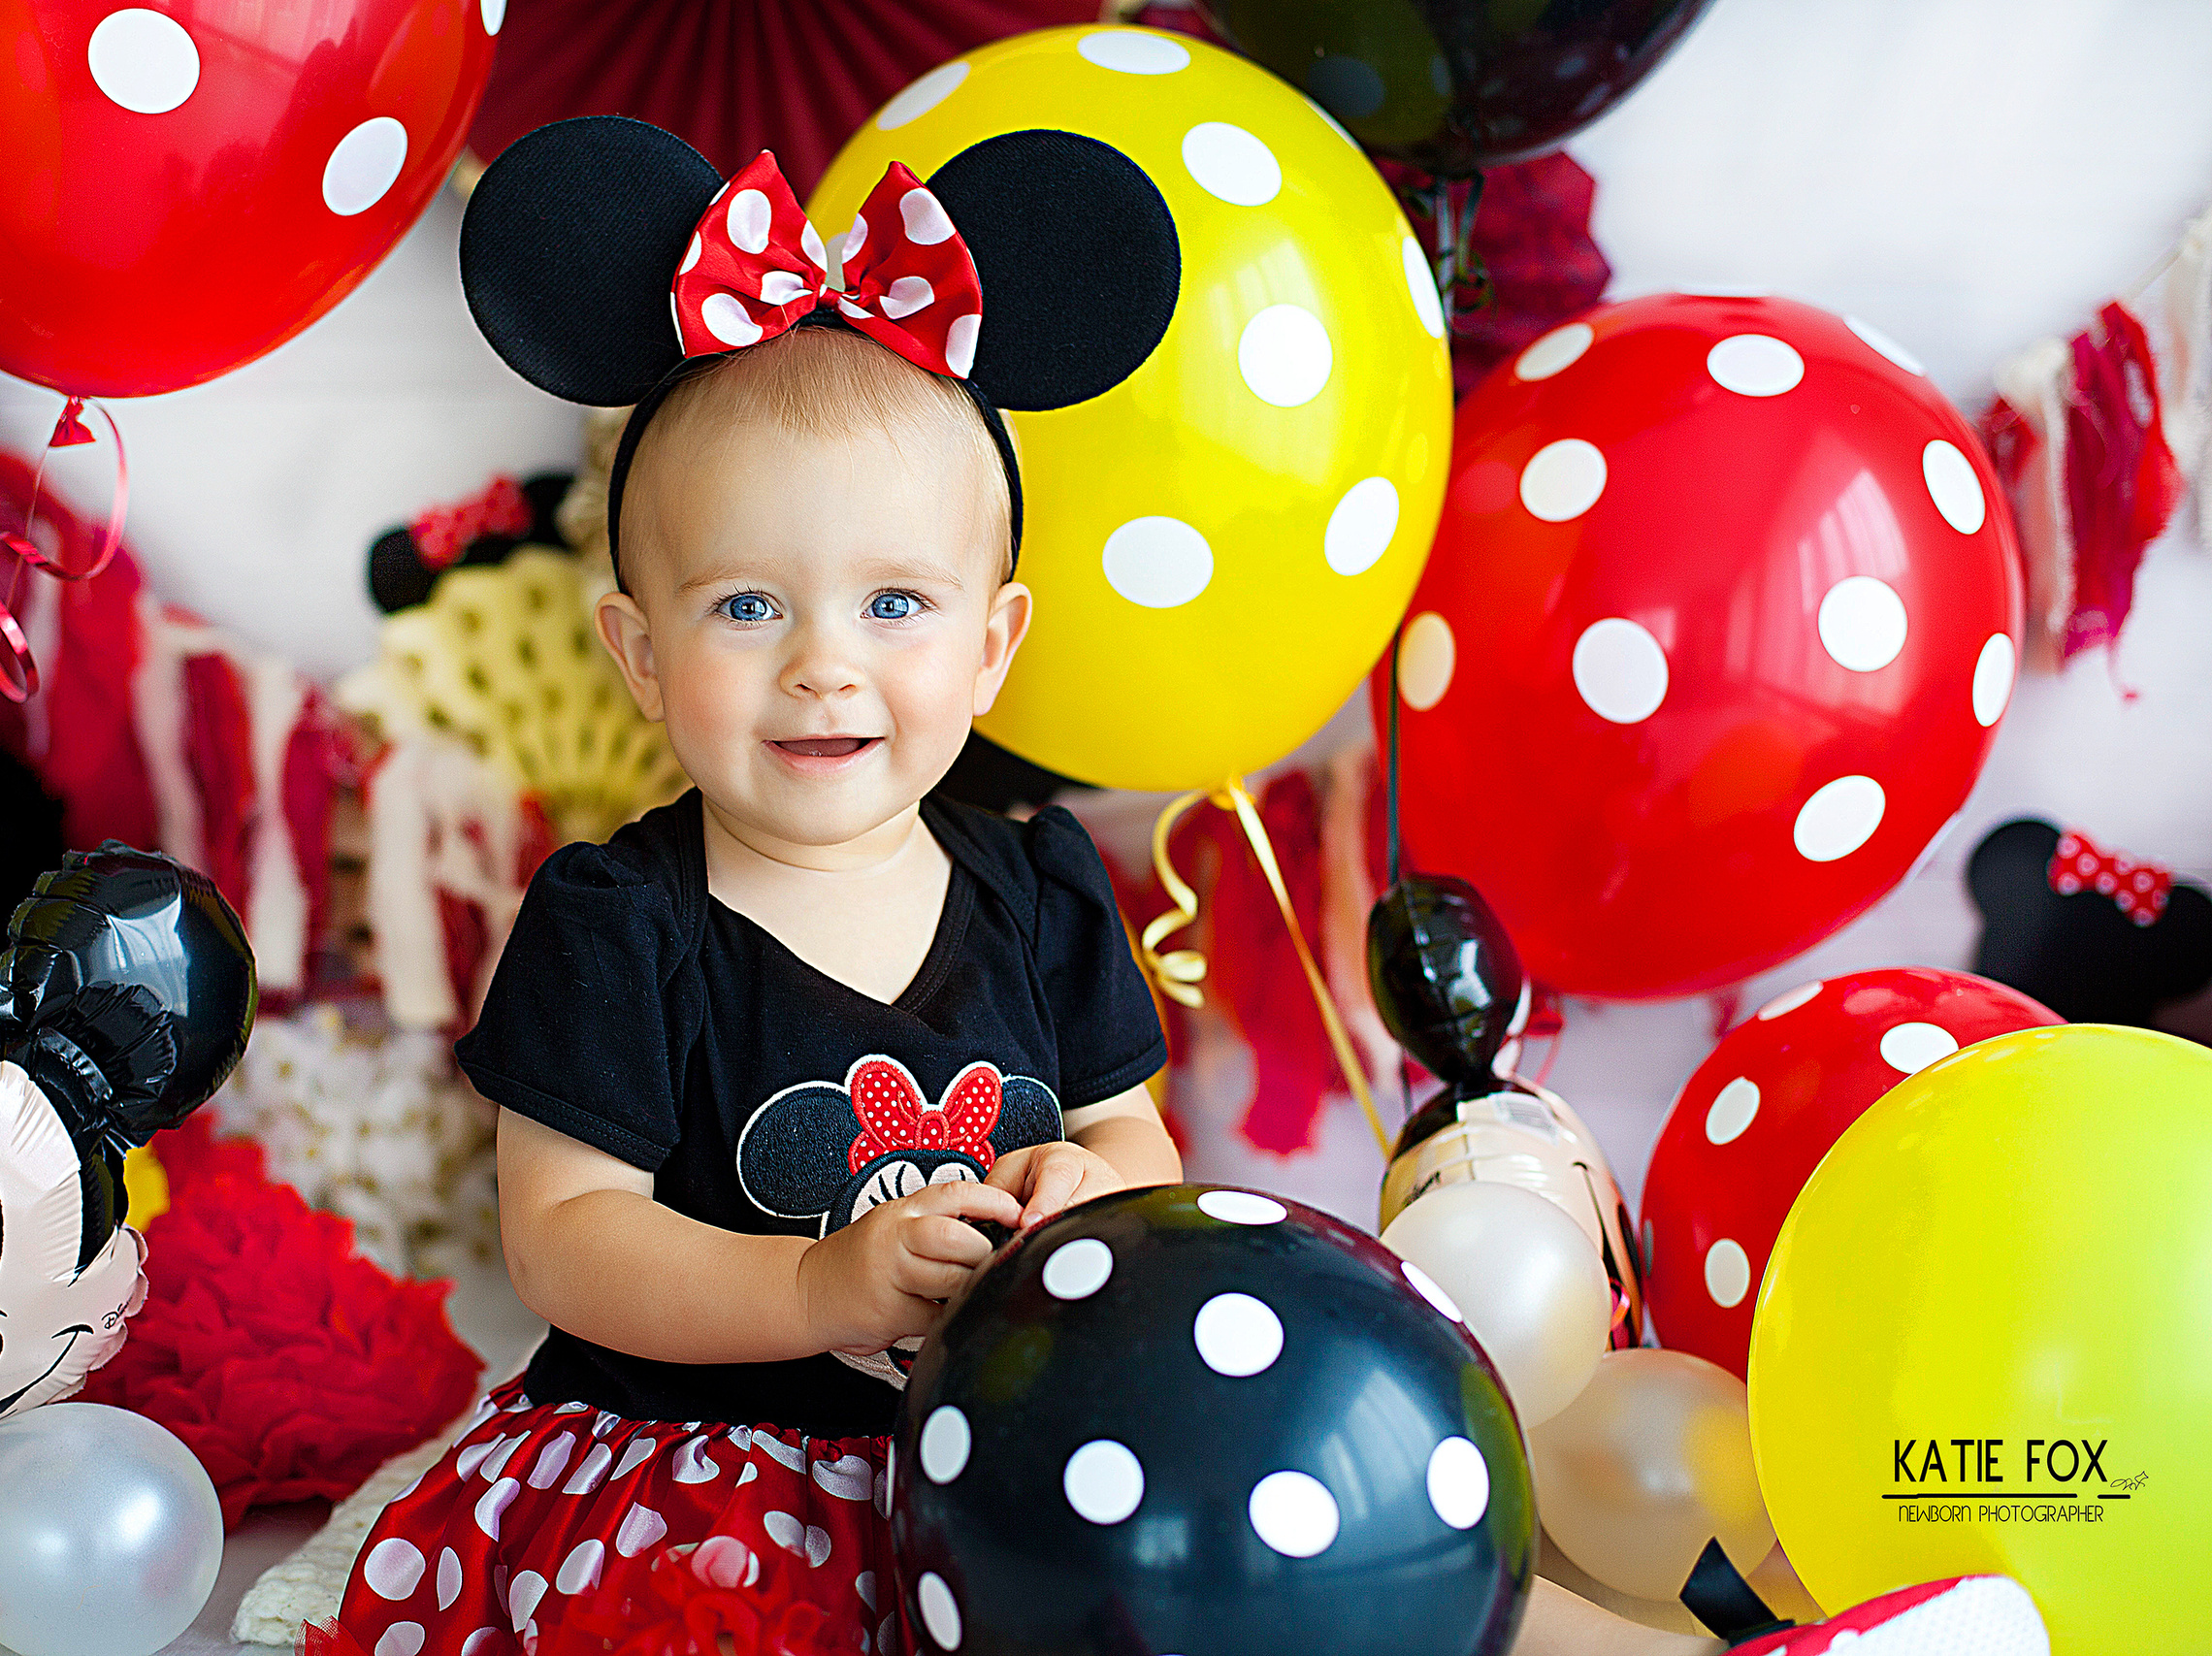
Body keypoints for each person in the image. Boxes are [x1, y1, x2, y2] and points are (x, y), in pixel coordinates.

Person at [320, 117, 2045, 1656]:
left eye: (897, 607)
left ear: (997, 645)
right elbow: (565, 1242)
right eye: (749, 609)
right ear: (635, 647)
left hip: (1042, 1432)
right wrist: (815, 1293)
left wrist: (1092, 1182)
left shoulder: (1040, 883)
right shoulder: (621, 921)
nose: (826, 672)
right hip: (726, 1481)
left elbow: (1133, 1131)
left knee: (1354, 1527)